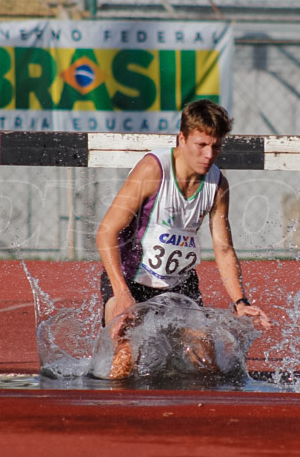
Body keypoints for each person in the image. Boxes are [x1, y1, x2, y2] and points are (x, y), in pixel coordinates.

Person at [95, 99, 270, 379]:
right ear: (182, 138)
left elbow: (223, 249)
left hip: (180, 286)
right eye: (201, 145)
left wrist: (240, 302)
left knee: (206, 364)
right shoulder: (154, 170)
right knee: (124, 363)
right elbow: (106, 231)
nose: (209, 154)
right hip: (130, 280)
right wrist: (121, 294)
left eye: (216, 146)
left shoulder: (217, 184)